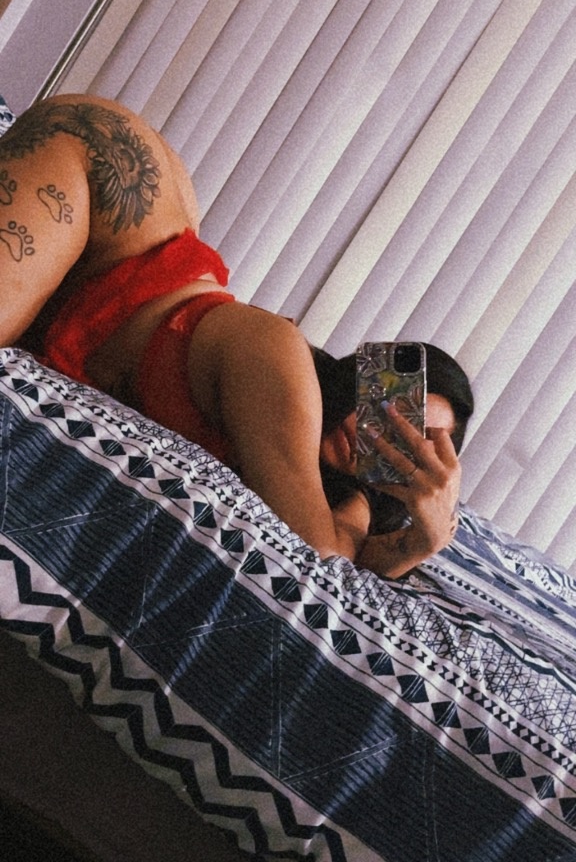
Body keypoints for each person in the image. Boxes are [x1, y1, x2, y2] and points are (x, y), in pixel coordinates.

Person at [0, 93, 473, 579]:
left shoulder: (341, 492)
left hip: (107, 272)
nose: (380, 434)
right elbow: (313, 558)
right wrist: (415, 536)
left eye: (410, 442)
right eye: (391, 408)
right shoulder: (282, 364)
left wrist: (419, 538)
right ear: (368, 378)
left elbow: (344, 557)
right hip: (105, 175)